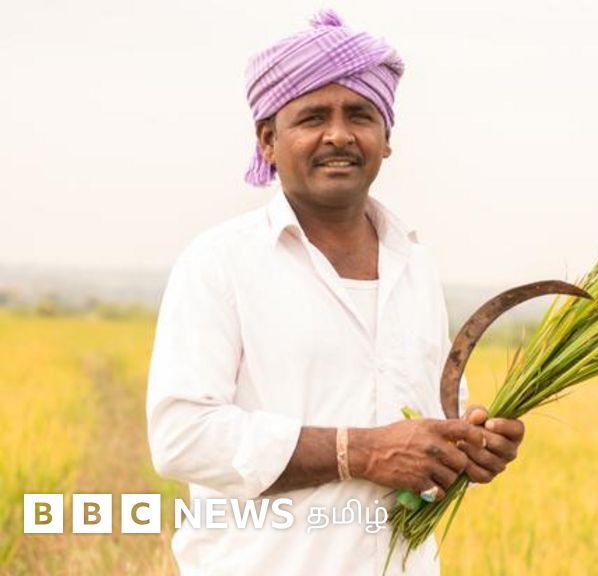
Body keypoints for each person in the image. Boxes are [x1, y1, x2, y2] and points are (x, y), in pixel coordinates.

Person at [147, 10, 524, 575]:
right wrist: (362, 452)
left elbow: (429, 426)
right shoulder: (220, 262)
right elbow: (181, 437)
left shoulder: (414, 264)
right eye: (313, 117)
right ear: (268, 141)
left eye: (361, 115)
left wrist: (470, 445)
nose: (340, 135)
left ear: (386, 140)